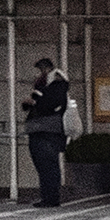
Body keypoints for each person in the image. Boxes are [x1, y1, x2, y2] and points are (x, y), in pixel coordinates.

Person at [22, 57, 68, 206]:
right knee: (44, 165)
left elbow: (50, 104)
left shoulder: (57, 84)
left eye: (41, 69)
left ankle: (51, 197)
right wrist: (30, 102)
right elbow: (30, 104)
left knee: (47, 164)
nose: (40, 73)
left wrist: (35, 103)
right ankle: (48, 197)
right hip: (40, 129)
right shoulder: (43, 85)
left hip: (47, 130)